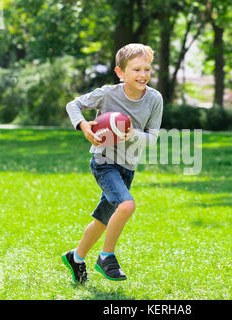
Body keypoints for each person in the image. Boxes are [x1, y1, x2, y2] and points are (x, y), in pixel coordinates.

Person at [62, 43, 163, 283]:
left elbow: (152, 138)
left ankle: (75, 258)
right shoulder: (108, 93)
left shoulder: (155, 99)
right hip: (104, 161)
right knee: (126, 206)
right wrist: (83, 125)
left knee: (101, 221)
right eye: (136, 69)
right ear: (120, 73)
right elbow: (73, 105)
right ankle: (106, 257)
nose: (143, 75)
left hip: (128, 167)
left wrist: (132, 135)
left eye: (147, 69)